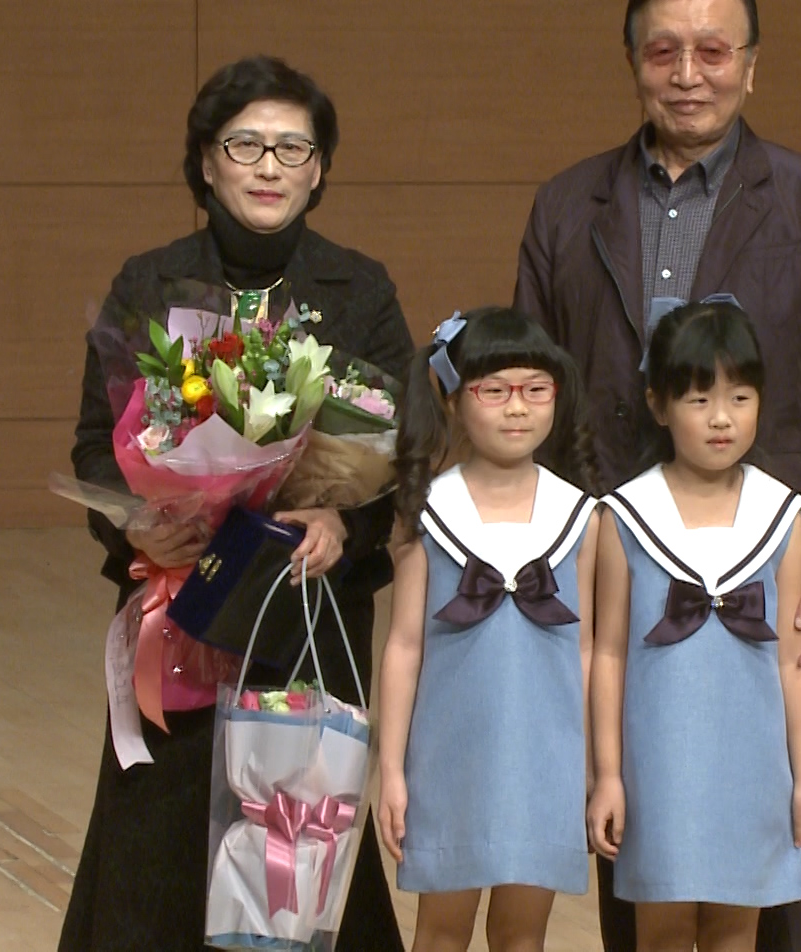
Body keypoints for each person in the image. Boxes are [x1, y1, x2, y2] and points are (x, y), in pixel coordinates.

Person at [513, 0, 801, 952]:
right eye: (664, 52)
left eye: (713, 51)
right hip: (621, 577)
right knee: (637, 837)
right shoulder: (567, 206)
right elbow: (534, 395)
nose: (688, 74)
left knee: (783, 836)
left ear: (751, 66)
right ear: (633, 62)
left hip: (773, 578)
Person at [63, 54, 411, 951]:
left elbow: (397, 448)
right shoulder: (150, 282)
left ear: (319, 170)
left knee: (297, 843)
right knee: (158, 844)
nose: (269, 167)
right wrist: (147, 523)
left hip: (305, 609)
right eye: (245, 144)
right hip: (183, 605)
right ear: (206, 162)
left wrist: (342, 519)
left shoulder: (360, 288)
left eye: (293, 148)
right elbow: (97, 446)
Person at [587, 299, 801, 952]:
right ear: (659, 404)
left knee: (734, 931)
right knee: (661, 931)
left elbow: (794, 665)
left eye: (740, 397)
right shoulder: (626, 517)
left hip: (751, 771)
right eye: (699, 400)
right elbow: (608, 655)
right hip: (660, 771)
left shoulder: (781, 517)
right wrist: (607, 775)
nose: (722, 418)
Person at [374, 307, 599, 952]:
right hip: (448, 758)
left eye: (535, 389)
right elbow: (404, 647)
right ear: (453, 398)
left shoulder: (580, 517)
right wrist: (391, 769)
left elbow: (587, 651)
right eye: (494, 390)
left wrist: (593, 766)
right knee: (441, 933)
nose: (517, 407)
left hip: (547, 759)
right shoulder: (427, 512)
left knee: (522, 936)